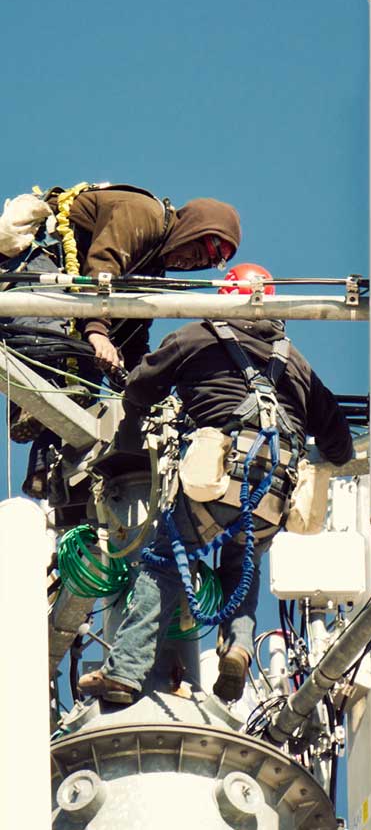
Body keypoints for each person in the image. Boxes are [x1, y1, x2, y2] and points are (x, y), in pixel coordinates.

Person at [77, 263, 354, 705]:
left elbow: (142, 386)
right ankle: (239, 646)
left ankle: (126, 672)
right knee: (241, 566)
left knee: (163, 562)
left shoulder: (197, 336)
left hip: (217, 482)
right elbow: (340, 446)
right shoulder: (299, 364)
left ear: (222, 297)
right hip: (273, 498)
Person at [2, 183, 241, 450]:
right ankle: (33, 400)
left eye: (199, 265)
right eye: (194, 254)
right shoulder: (143, 215)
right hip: (33, 261)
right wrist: (96, 332)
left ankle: (49, 465)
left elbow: (133, 332)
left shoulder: (151, 268)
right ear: (189, 231)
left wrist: (138, 380)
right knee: (51, 323)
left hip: (77, 292)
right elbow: (104, 266)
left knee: (87, 372)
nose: (190, 264)